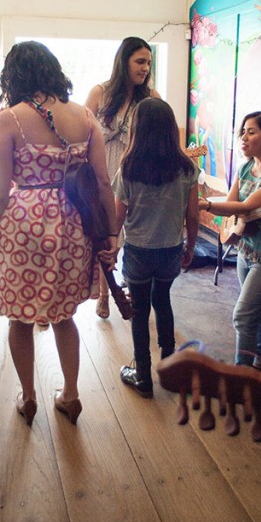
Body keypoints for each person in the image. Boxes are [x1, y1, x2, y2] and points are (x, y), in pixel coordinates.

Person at [0, 41, 115, 427]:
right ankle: (71, 395)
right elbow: (104, 182)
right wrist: (110, 234)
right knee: (63, 315)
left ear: (14, 76)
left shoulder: (9, 119)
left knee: (19, 318)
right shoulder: (85, 117)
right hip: (73, 221)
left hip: (23, 224)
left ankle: (27, 398)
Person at [99, 99, 199, 397]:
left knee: (140, 312)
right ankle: (170, 368)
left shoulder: (129, 168)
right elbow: (192, 216)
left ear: (137, 131)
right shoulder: (187, 168)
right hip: (170, 249)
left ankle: (142, 376)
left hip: (139, 252)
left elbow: (118, 217)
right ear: (171, 130)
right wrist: (190, 247)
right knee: (163, 300)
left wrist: (114, 248)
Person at [198, 111, 261, 372]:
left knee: (243, 316)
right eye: (242, 131)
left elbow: (245, 205)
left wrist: (206, 205)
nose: (243, 137)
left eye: (251, 131)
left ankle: (240, 375)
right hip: (247, 248)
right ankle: (260, 361)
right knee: (259, 307)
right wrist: (224, 214)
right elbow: (235, 208)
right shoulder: (246, 168)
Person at [85, 36, 161, 318]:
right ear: (123, 61)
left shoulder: (151, 97)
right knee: (106, 237)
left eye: (149, 63)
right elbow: (81, 134)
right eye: (140, 61)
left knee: (135, 236)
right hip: (102, 174)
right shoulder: (99, 93)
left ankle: (135, 291)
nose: (145, 68)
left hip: (136, 177)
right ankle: (105, 294)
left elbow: (161, 137)